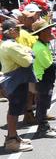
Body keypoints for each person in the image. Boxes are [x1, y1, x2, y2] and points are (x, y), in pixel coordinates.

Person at [0, 19, 35, 152]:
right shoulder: (11, 46)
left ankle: (13, 136)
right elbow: (27, 61)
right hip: (16, 81)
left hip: (15, 80)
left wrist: (26, 52)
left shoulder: (8, 44)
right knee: (14, 110)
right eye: (17, 29)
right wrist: (30, 54)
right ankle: (12, 140)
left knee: (14, 108)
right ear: (11, 31)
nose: (20, 31)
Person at [31, 19, 56, 139]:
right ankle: (42, 128)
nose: (51, 31)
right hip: (42, 78)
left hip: (46, 78)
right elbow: (48, 65)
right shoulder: (40, 47)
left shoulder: (44, 44)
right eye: (49, 29)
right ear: (43, 32)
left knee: (44, 102)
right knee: (43, 103)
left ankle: (44, 126)